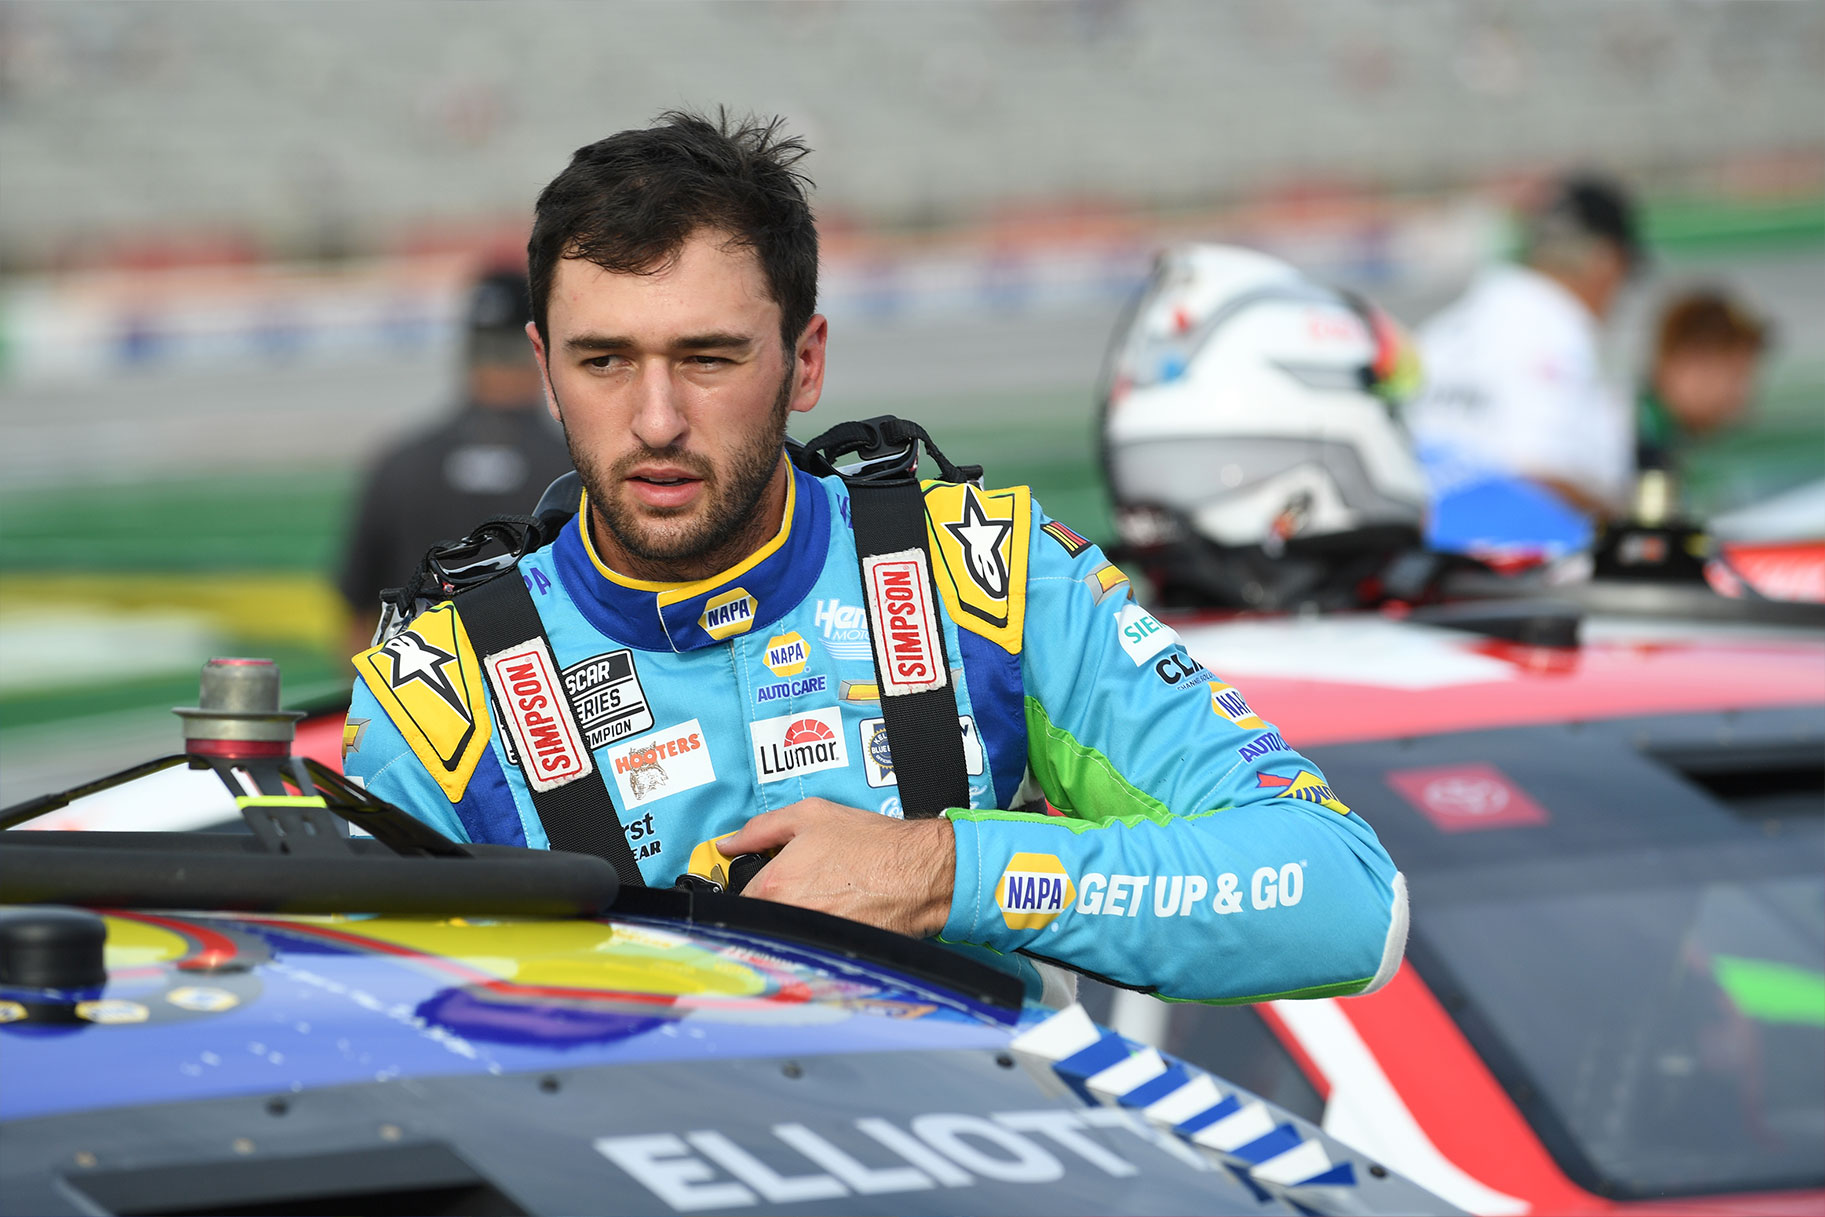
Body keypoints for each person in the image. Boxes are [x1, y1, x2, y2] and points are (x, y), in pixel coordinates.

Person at [341, 111, 1406, 1004]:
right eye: (604, 360)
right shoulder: (439, 696)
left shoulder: (979, 577)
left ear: (805, 361)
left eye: (708, 357)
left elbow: (1344, 898)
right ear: (542, 366)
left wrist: (943, 872)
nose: (655, 419)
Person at [337, 269, 574, 654]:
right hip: (536, 701)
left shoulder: (400, 463)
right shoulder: (572, 470)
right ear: (540, 349)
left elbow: (353, 617)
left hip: (416, 699)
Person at [1406, 174, 1646, 519]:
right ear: (1605, 261)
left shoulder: (1443, 329)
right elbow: (1537, 472)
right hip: (1505, 556)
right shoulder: (1558, 334)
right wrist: (1623, 526)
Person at [1637, 288, 1769, 478]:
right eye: (1736, 376)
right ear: (1692, 361)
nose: (1740, 397)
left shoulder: (1656, 432)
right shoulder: (1628, 440)